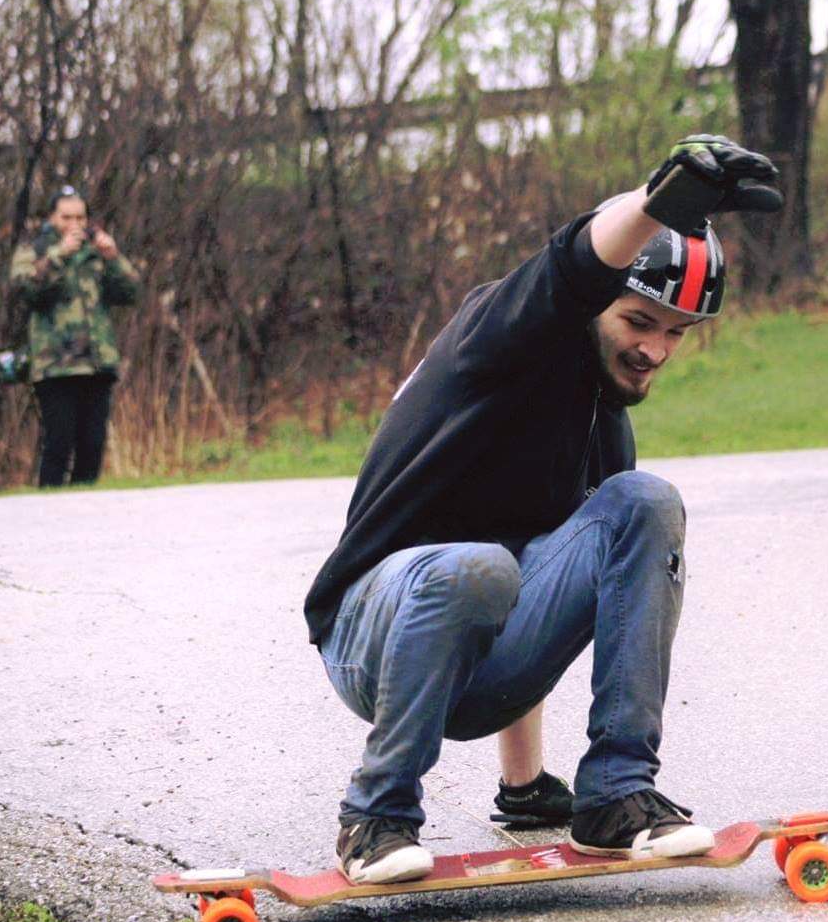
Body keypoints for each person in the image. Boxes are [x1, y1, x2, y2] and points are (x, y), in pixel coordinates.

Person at [304, 134, 783, 883]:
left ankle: (617, 796)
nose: (655, 351)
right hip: (369, 639)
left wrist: (523, 786)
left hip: (478, 670)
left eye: (675, 334)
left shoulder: (599, 424)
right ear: (594, 306)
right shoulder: (499, 333)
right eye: (637, 322)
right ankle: (376, 816)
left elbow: (537, 569)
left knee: (641, 503)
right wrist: (654, 205)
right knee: (480, 567)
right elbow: (571, 267)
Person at [9, 188, 141, 485]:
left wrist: (113, 258)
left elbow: (131, 293)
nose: (75, 224)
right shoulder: (35, 248)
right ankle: (50, 504)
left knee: (92, 444)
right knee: (59, 443)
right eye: (66, 217)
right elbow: (25, 290)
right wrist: (59, 255)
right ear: (51, 218)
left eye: (80, 217)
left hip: (97, 362)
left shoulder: (95, 250)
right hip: (56, 364)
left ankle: (83, 506)